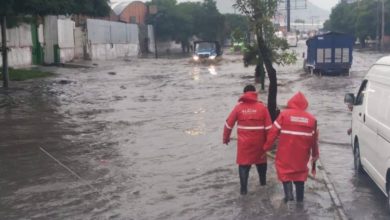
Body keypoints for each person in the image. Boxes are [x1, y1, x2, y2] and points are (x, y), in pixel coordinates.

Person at [263, 92, 319, 202]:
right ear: (304, 104)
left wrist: (266, 147)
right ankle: (299, 201)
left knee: (285, 173)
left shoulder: (284, 115)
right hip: (302, 157)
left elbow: (273, 133)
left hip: (285, 154)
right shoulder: (312, 120)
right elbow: (314, 141)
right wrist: (315, 155)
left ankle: (288, 195)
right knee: (300, 176)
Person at [223, 85, 272, 195]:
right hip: (260, 144)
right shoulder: (262, 107)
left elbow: (228, 125)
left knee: (244, 166)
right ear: (255, 93)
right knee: (261, 164)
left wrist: (225, 138)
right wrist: (269, 145)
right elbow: (269, 129)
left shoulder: (238, 108)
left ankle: (243, 190)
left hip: (244, 146)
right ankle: (263, 185)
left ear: (244, 93)